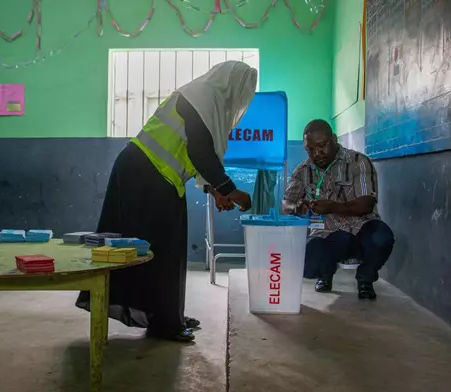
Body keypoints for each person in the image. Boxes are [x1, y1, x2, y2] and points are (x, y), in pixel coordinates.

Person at [76, 61, 257, 342]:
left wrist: (216, 190)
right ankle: (164, 323)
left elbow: (194, 153)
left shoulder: (205, 101)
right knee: (156, 250)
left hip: (156, 176)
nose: (242, 98)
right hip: (145, 173)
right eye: (244, 90)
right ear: (230, 83)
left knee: (163, 251)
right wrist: (230, 190)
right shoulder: (201, 95)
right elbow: (199, 151)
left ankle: (166, 316)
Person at [282, 119, 395, 300]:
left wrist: (333, 206)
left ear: (334, 139)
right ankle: (324, 274)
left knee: (382, 237)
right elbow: (286, 204)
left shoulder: (358, 162)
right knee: (306, 262)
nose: (317, 153)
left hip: (361, 228)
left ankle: (365, 278)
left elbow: (367, 204)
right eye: (310, 149)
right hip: (328, 234)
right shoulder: (302, 171)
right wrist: (296, 206)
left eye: (322, 146)